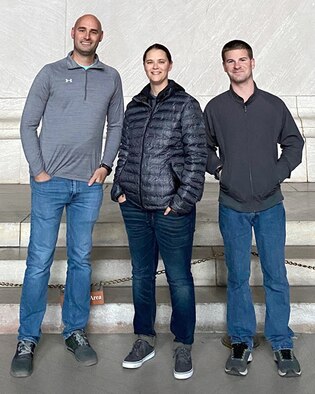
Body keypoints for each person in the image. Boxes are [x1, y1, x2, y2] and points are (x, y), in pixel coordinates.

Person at [10, 14, 124, 378]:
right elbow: (27, 123)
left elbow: (117, 124)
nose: (87, 36)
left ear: (100, 36)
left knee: (80, 260)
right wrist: (39, 171)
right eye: (82, 30)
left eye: (93, 31)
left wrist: (106, 165)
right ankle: (26, 338)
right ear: (73, 34)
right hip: (50, 184)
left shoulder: (111, 77)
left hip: (88, 186)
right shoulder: (50, 72)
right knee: (39, 261)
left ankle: (74, 332)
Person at [204, 40, 304, 377]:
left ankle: (281, 341)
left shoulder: (273, 106)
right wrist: (221, 171)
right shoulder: (216, 108)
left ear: (252, 62)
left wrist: (275, 173)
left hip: (270, 205)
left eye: (242, 60)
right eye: (230, 61)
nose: (237, 66)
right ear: (224, 67)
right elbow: (203, 147)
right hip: (232, 205)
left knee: (276, 275)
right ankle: (241, 341)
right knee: (238, 277)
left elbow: (294, 143)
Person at [111, 43, 207, 380]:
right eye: (150, 62)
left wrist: (182, 201)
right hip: (134, 208)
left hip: (171, 211)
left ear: (169, 65)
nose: (155, 67)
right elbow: (124, 149)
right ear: (144, 66)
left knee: (179, 279)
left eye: (161, 61)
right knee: (141, 275)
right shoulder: (134, 107)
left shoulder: (186, 104)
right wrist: (118, 188)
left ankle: (183, 343)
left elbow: (198, 158)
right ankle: (144, 338)